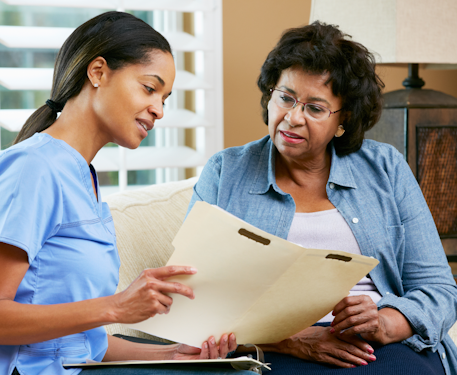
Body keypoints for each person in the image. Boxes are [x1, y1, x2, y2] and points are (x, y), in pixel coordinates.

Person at [0, 12, 245, 375]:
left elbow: (81, 343)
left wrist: (172, 354)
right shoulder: (32, 169)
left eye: (165, 98)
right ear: (98, 72)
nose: (158, 109)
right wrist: (118, 307)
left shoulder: (83, 179)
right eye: (149, 88)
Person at [186, 22, 457, 374]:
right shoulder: (226, 172)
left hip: (375, 345)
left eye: (315, 108)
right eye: (285, 97)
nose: (292, 118)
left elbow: (438, 289)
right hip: (268, 348)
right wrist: (290, 339)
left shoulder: (385, 167)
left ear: (343, 121)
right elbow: (194, 296)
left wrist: (384, 323)